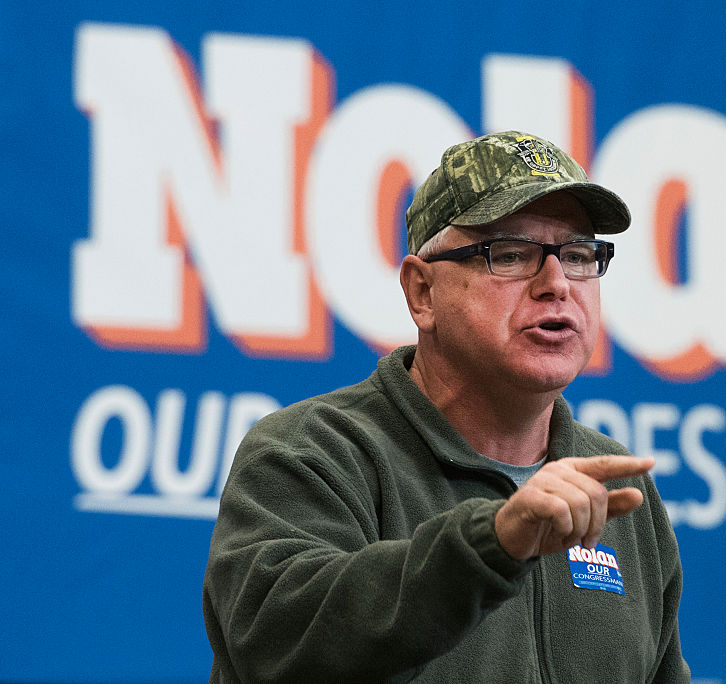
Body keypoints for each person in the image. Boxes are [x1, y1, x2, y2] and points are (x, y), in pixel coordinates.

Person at [202, 131, 690, 683]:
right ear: (422, 293)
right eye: (510, 255)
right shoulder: (313, 452)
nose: (556, 284)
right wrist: (494, 543)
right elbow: (281, 646)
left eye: (578, 256)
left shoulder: (620, 491)